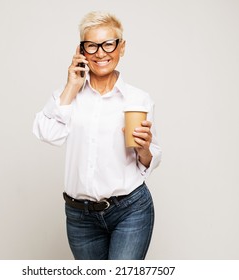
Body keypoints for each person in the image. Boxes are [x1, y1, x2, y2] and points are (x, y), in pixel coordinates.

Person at [33, 11, 162, 260]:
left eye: (109, 44)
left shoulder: (138, 99)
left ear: (121, 48)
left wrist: (144, 148)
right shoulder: (68, 95)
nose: (101, 53)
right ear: (82, 50)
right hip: (80, 217)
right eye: (92, 45)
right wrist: (71, 85)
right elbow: (46, 133)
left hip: (130, 210)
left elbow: (151, 158)